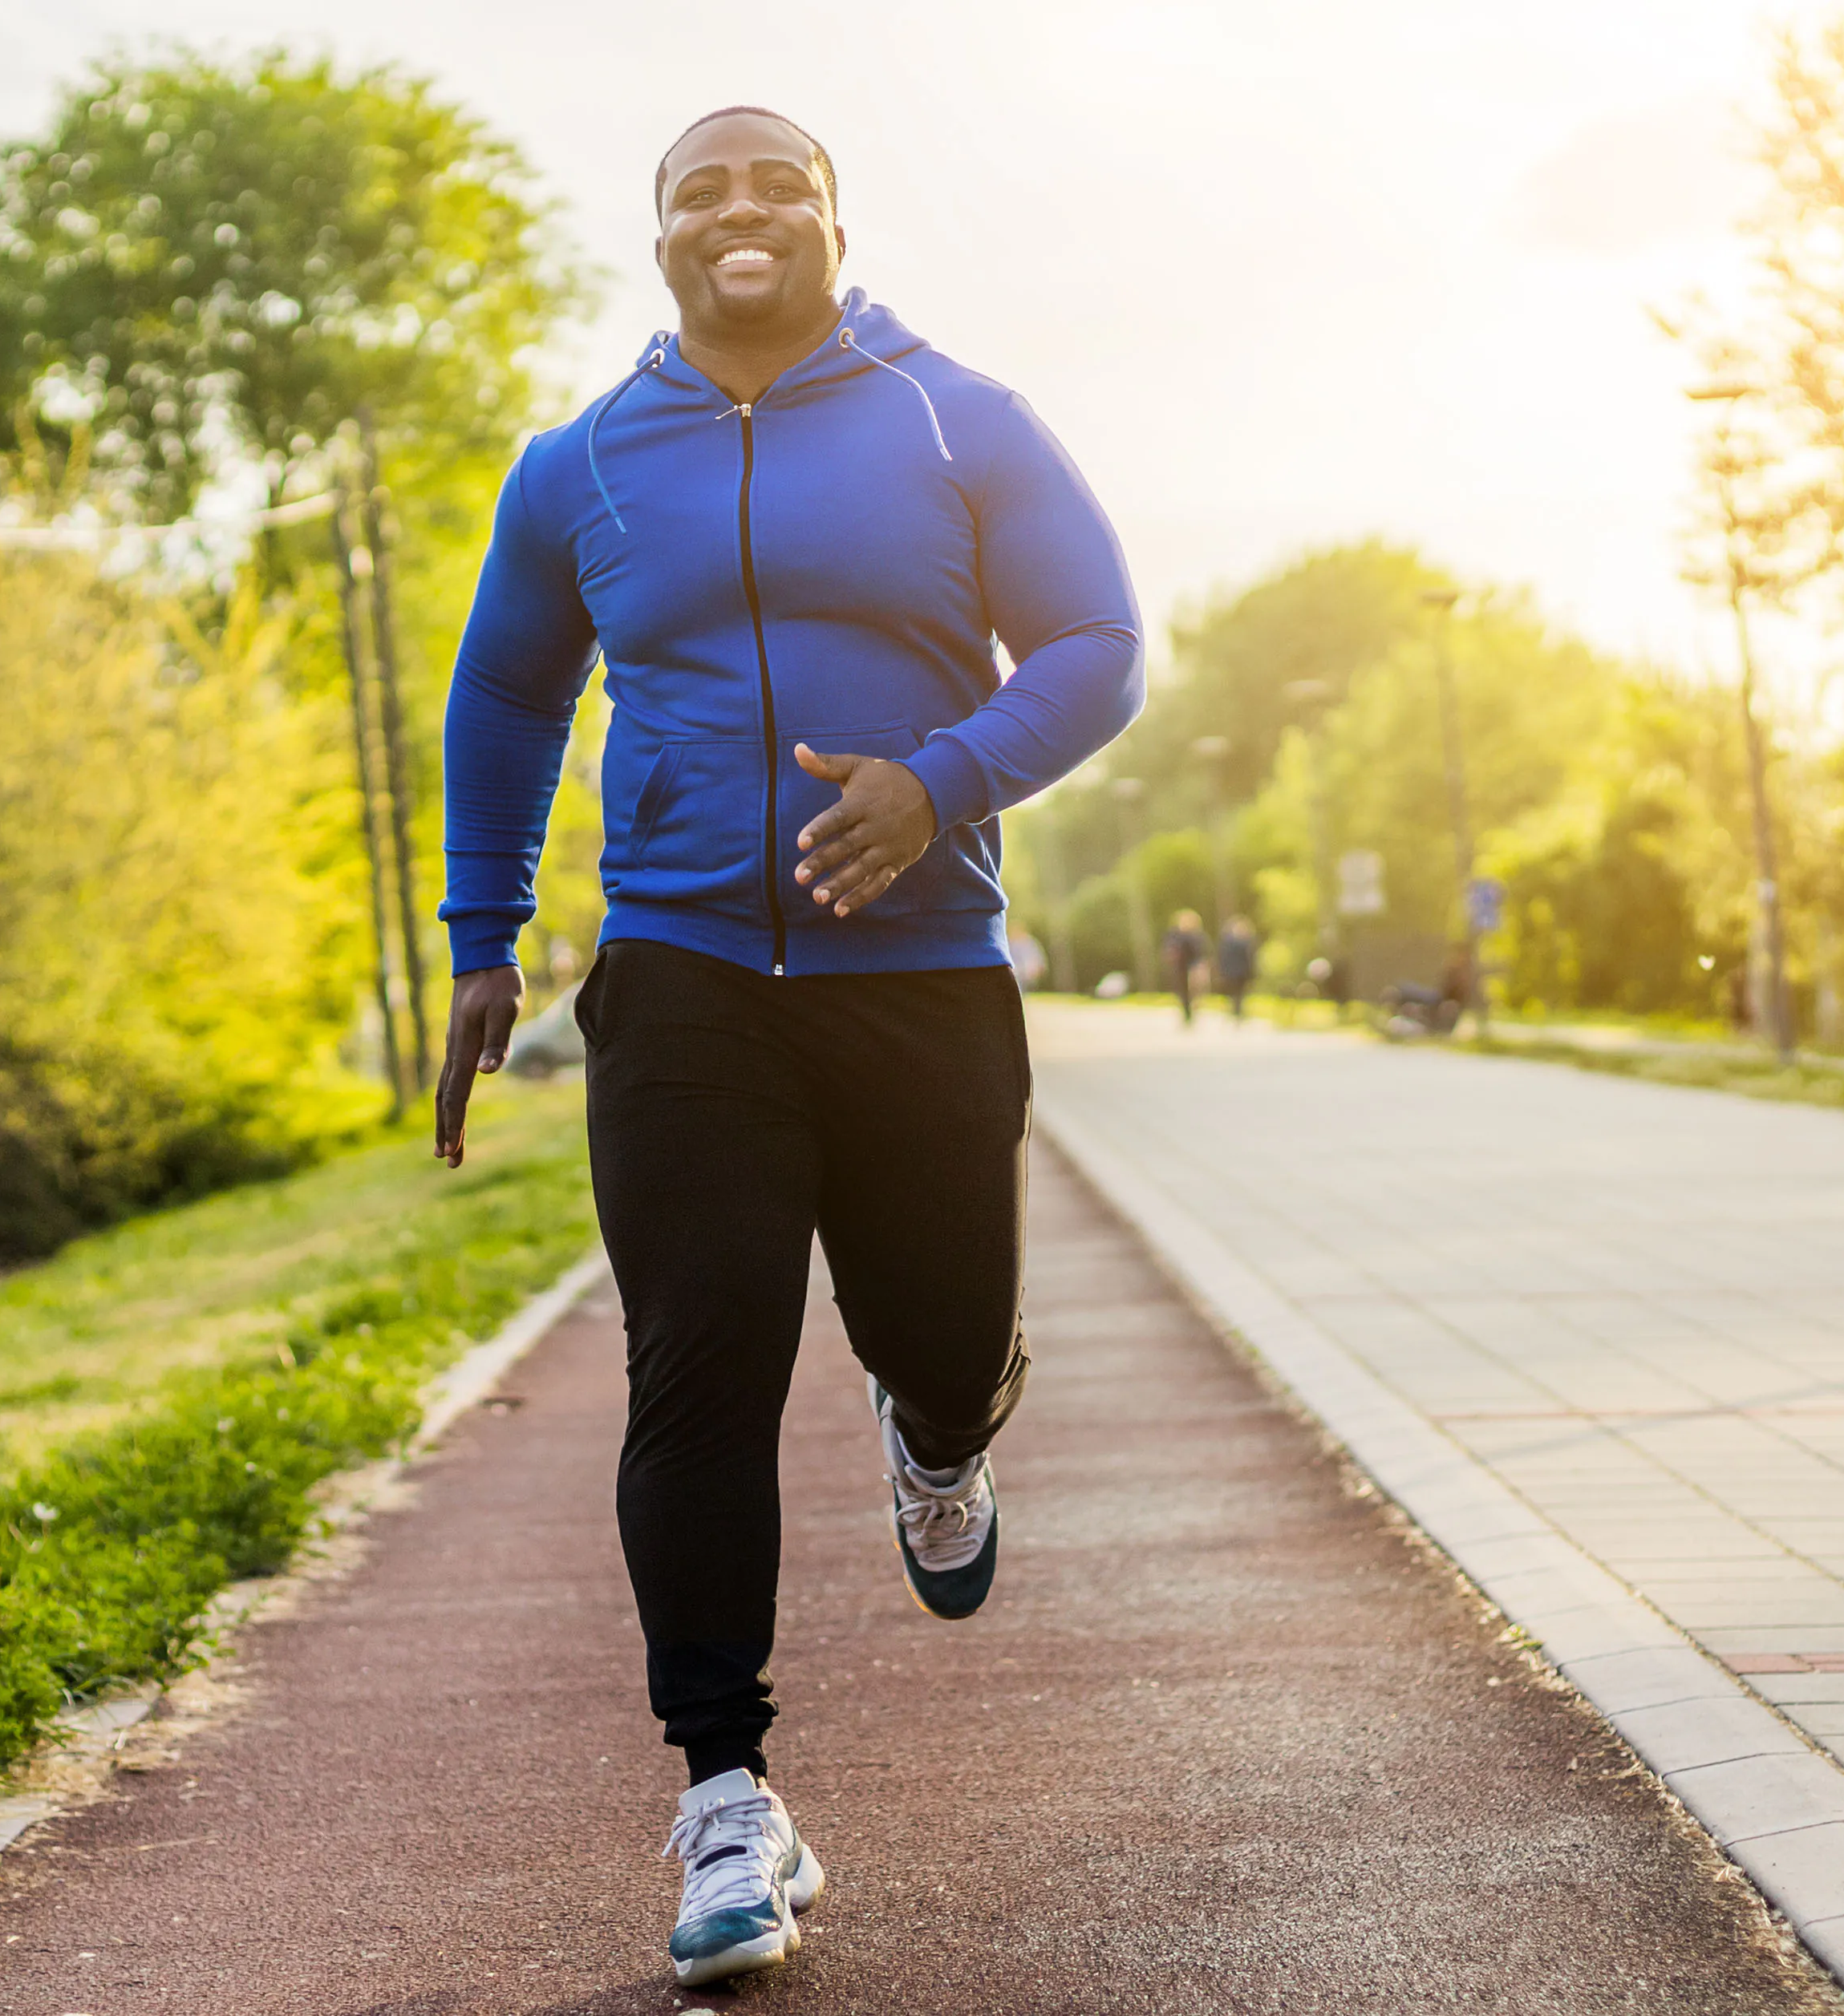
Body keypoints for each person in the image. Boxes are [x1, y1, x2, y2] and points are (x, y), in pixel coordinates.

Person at [430, 106, 1143, 1988]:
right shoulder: (581, 461)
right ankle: (725, 1788)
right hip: (679, 975)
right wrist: (480, 939)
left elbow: (1093, 641)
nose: (735, 212)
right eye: (697, 192)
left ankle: (938, 1431)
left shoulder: (951, 418)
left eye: (771, 186)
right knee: (698, 1360)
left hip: (916, 972)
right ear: (658, 237)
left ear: (831, 217)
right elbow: (506, 686)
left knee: (932, 1325)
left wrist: (941, 783)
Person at [1160, 909, 1210, 1026]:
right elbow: (1169, 949)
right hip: (1180, 967)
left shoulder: (1197, 935)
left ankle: (1194, 1008)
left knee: (1196, 989)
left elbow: (1203, 951)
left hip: (1194, 966)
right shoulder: (1175, 935)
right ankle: (1187, 1013)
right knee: (1183, 991)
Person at [1217, 913, 1262, 1022]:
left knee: (1241, 993)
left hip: (1242, 971)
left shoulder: (1248, 941)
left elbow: (1252, 958)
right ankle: (1235, 1011)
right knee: (1234, 992)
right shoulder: (1229, 942)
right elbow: (1223, 957)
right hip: (1232, 971)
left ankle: (1238, 1011)